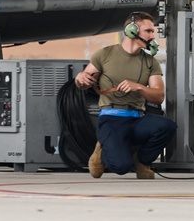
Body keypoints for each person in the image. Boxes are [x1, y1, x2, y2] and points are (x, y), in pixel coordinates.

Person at [75, 11, 177, 179]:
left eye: (153, 31)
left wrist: (139, 87)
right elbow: (84, 81)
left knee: (167, 127)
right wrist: (80, 79)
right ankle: (101, 150)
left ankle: (141, 162)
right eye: (148, 31)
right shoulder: (105, 54)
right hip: (112, 119)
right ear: (131, 31)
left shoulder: (150, 62)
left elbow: (159, 96)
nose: (153, 36)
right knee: (121, 167)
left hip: (137, 118)